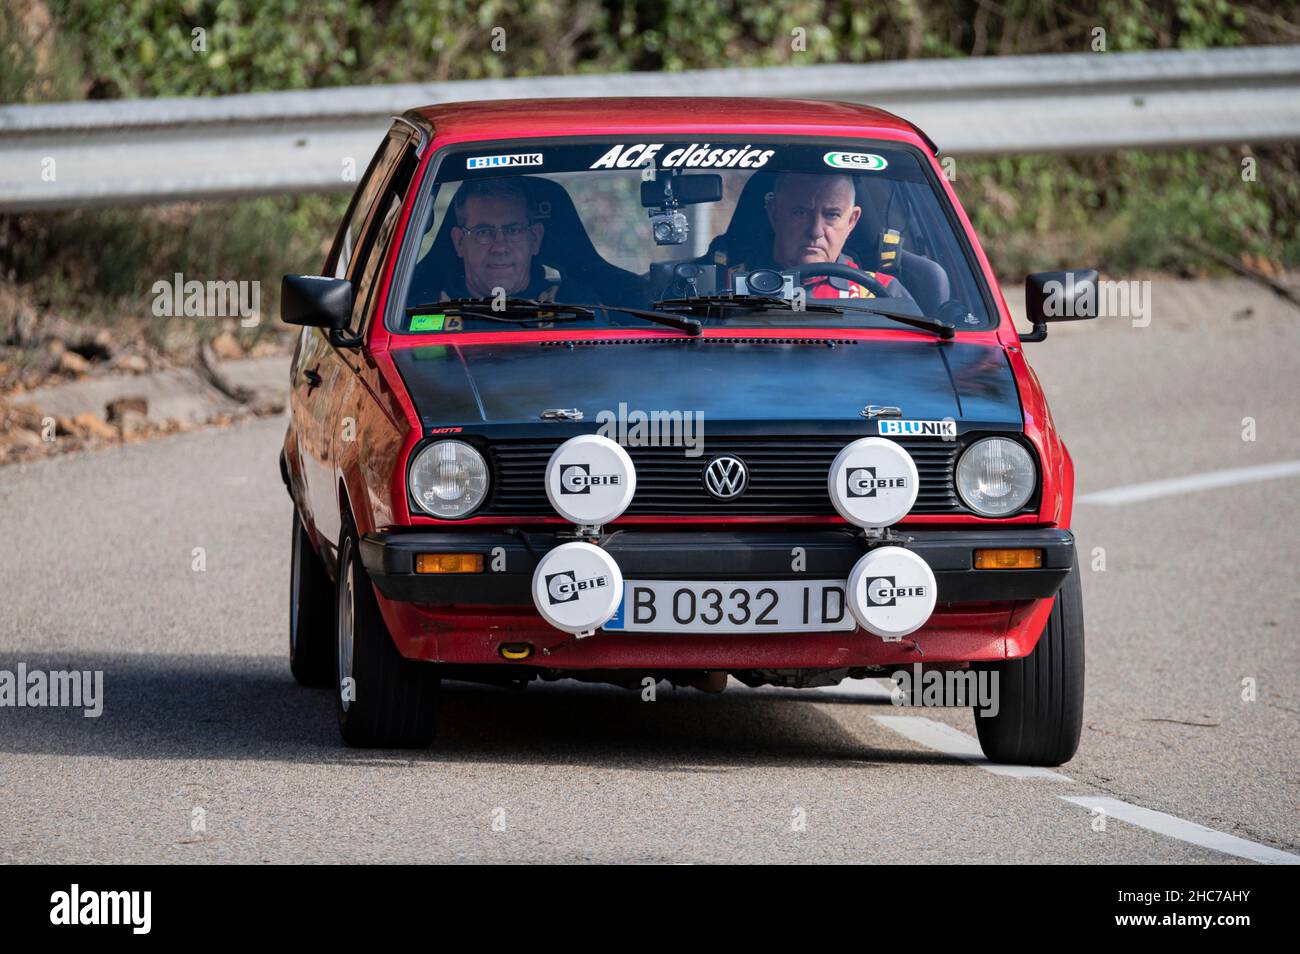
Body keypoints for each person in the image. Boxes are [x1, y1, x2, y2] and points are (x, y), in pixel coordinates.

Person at [725, 172, 916, 306]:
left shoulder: (882, 292)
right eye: (801, 212)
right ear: (775, 213)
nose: (816, 231)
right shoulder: (727, 287)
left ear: (851, 221)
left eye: (831, 215)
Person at [436, 178, 596, 307]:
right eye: (483, 232)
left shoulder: (580, 310)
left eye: (513, 231)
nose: (499, 247)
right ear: (459, 241)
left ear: (535, 238)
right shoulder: (426, 311)